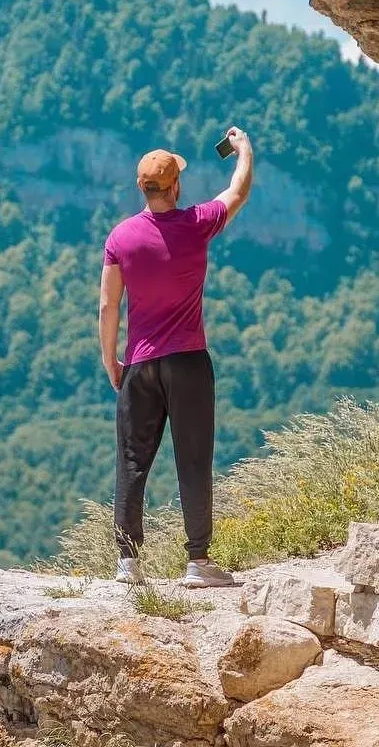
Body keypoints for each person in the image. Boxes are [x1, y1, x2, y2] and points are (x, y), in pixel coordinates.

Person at [99, 127, 254, 588]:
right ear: (176, 187)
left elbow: (108, 305)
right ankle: (198, 563)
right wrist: (243, 150)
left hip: (140, 366)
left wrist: (111, 359)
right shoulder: (196, 223)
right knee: (193, 458)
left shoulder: (121, 238)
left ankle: (128, 564)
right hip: (188, 362)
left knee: (131, 461)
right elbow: (238, 190)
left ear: (140, 188)